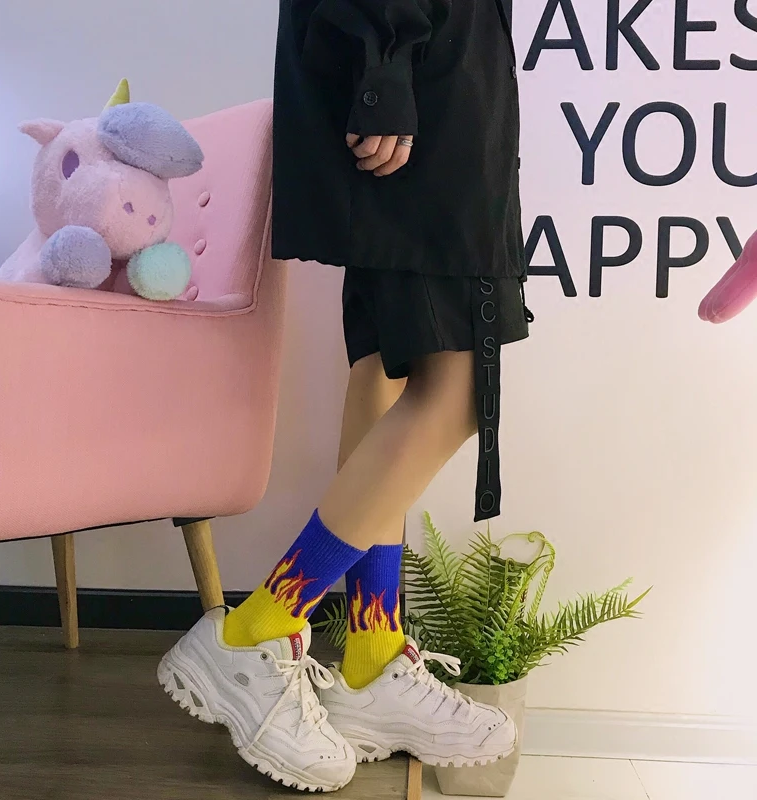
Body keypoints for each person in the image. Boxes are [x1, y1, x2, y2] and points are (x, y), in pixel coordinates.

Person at [158, 0, 531, 792]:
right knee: (457, 388)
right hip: (426, 88)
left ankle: (369, 653)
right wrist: (383, 70)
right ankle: (257, 627)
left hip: (432, 75)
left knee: (389, 365)